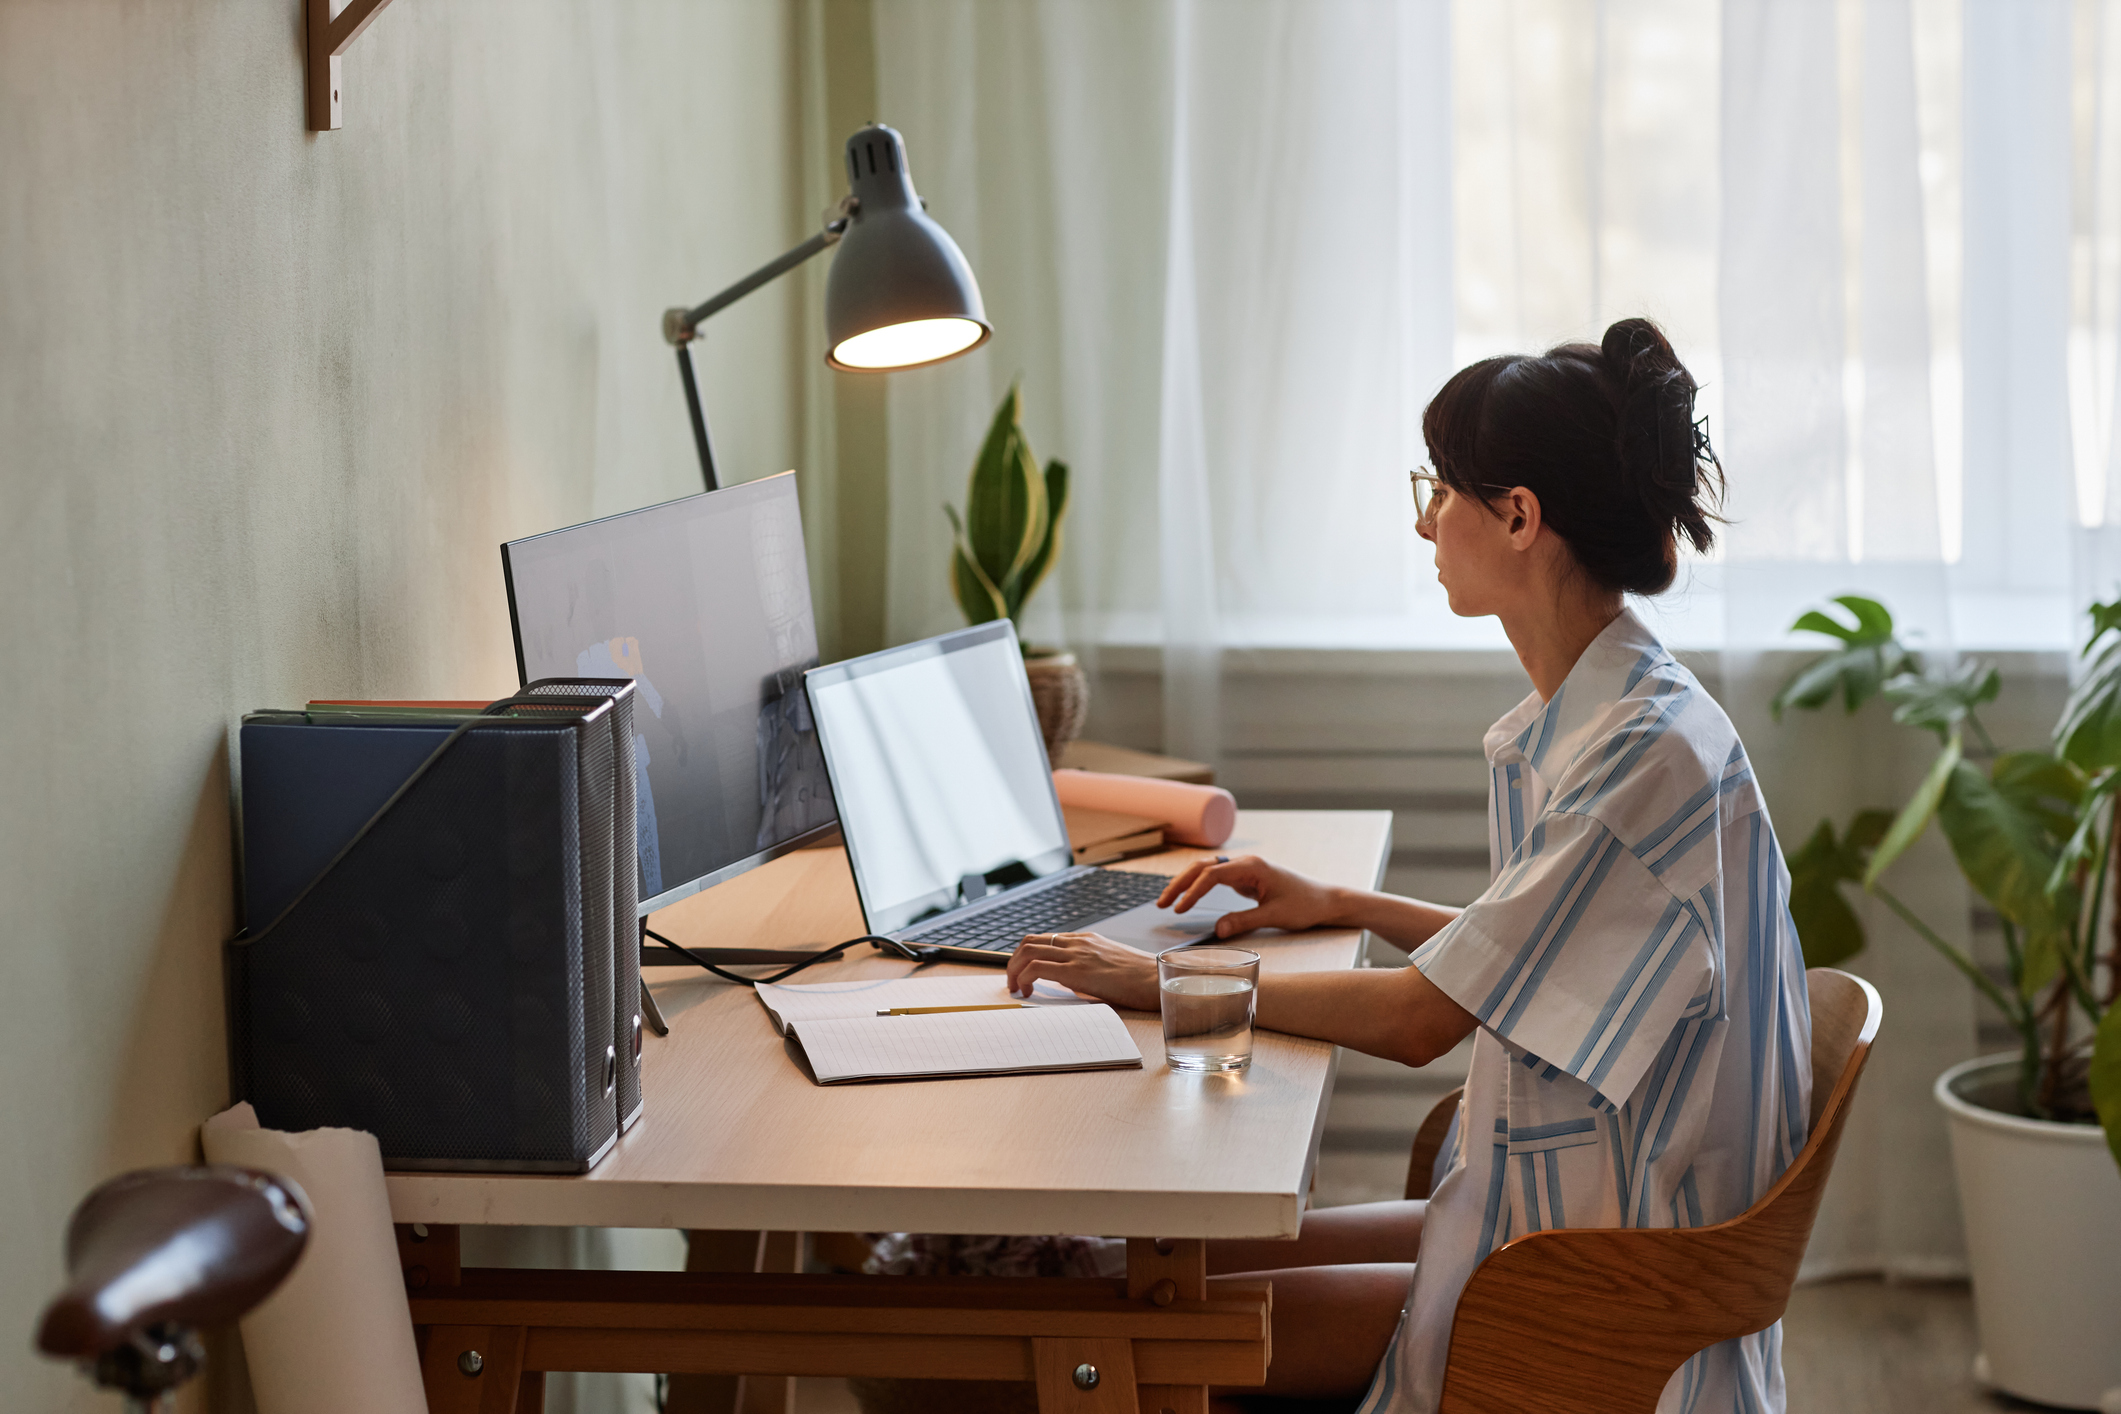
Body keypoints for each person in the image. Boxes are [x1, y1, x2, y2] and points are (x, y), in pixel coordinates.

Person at [1004, 317, 1813, 1414]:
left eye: (1442, 489)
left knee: (1113, 1323)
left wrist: (1150, 981)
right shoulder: (1621, 715)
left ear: (1519, 516)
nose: (1428, 519)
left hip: (1589, 1287)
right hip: (1551, 1209)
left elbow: (1421, 1022)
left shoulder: (1641, 758)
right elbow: (1529, 963)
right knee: (1149, 1267)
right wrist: (1336, 901)